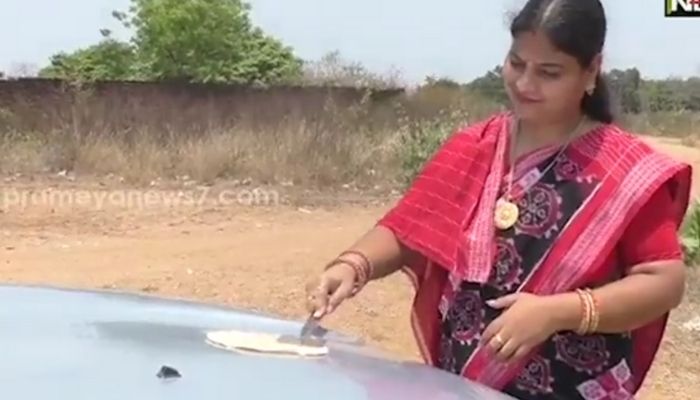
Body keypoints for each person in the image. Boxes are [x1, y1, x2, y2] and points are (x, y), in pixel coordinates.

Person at [304, 0, 692, 399]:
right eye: (516, 63)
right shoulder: (474, 146)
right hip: (459, 384)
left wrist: (557, 312)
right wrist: (355, 264)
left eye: (549, 73)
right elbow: (411, 229)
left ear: (591, 70)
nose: (525, 84)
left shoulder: (623, 170)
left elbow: (663, 283)